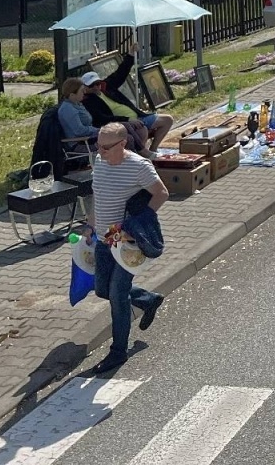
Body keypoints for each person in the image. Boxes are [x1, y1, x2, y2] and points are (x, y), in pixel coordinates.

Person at [87, 122, 167, 372]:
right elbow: (97, 196)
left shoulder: (139, 166)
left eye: (106, 147)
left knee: (117, 296)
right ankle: (148, 299)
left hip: (124, 239)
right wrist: (89, 226)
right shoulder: (100, 162)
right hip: (104, 236)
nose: (100, 151)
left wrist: (134, 225)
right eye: (97, 145)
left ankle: (118, 352)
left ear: (123, 144)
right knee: (102, 289)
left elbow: (161, 193)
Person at [80, 56, 175, 154]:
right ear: (85, 87)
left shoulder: (107, 87)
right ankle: (140, 156)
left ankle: (153, 150)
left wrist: (130, 55)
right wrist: (128, 120)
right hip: (121, 123)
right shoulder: (88, 101)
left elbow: (121, 73)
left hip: (138, 117)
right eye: (92, 85)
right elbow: (102, 118)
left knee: (167, 120)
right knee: (142, 129)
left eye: (98, 83)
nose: (96, 87)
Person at [57, 77, 99, 151]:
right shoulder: (68, 109)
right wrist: (98, 130)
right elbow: (79, 131)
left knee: (123, 131)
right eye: (82, 91)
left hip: (89, 138)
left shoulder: (77, 103)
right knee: (120, 139)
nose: (85, 92)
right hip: (80, 144)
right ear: (72, 94)